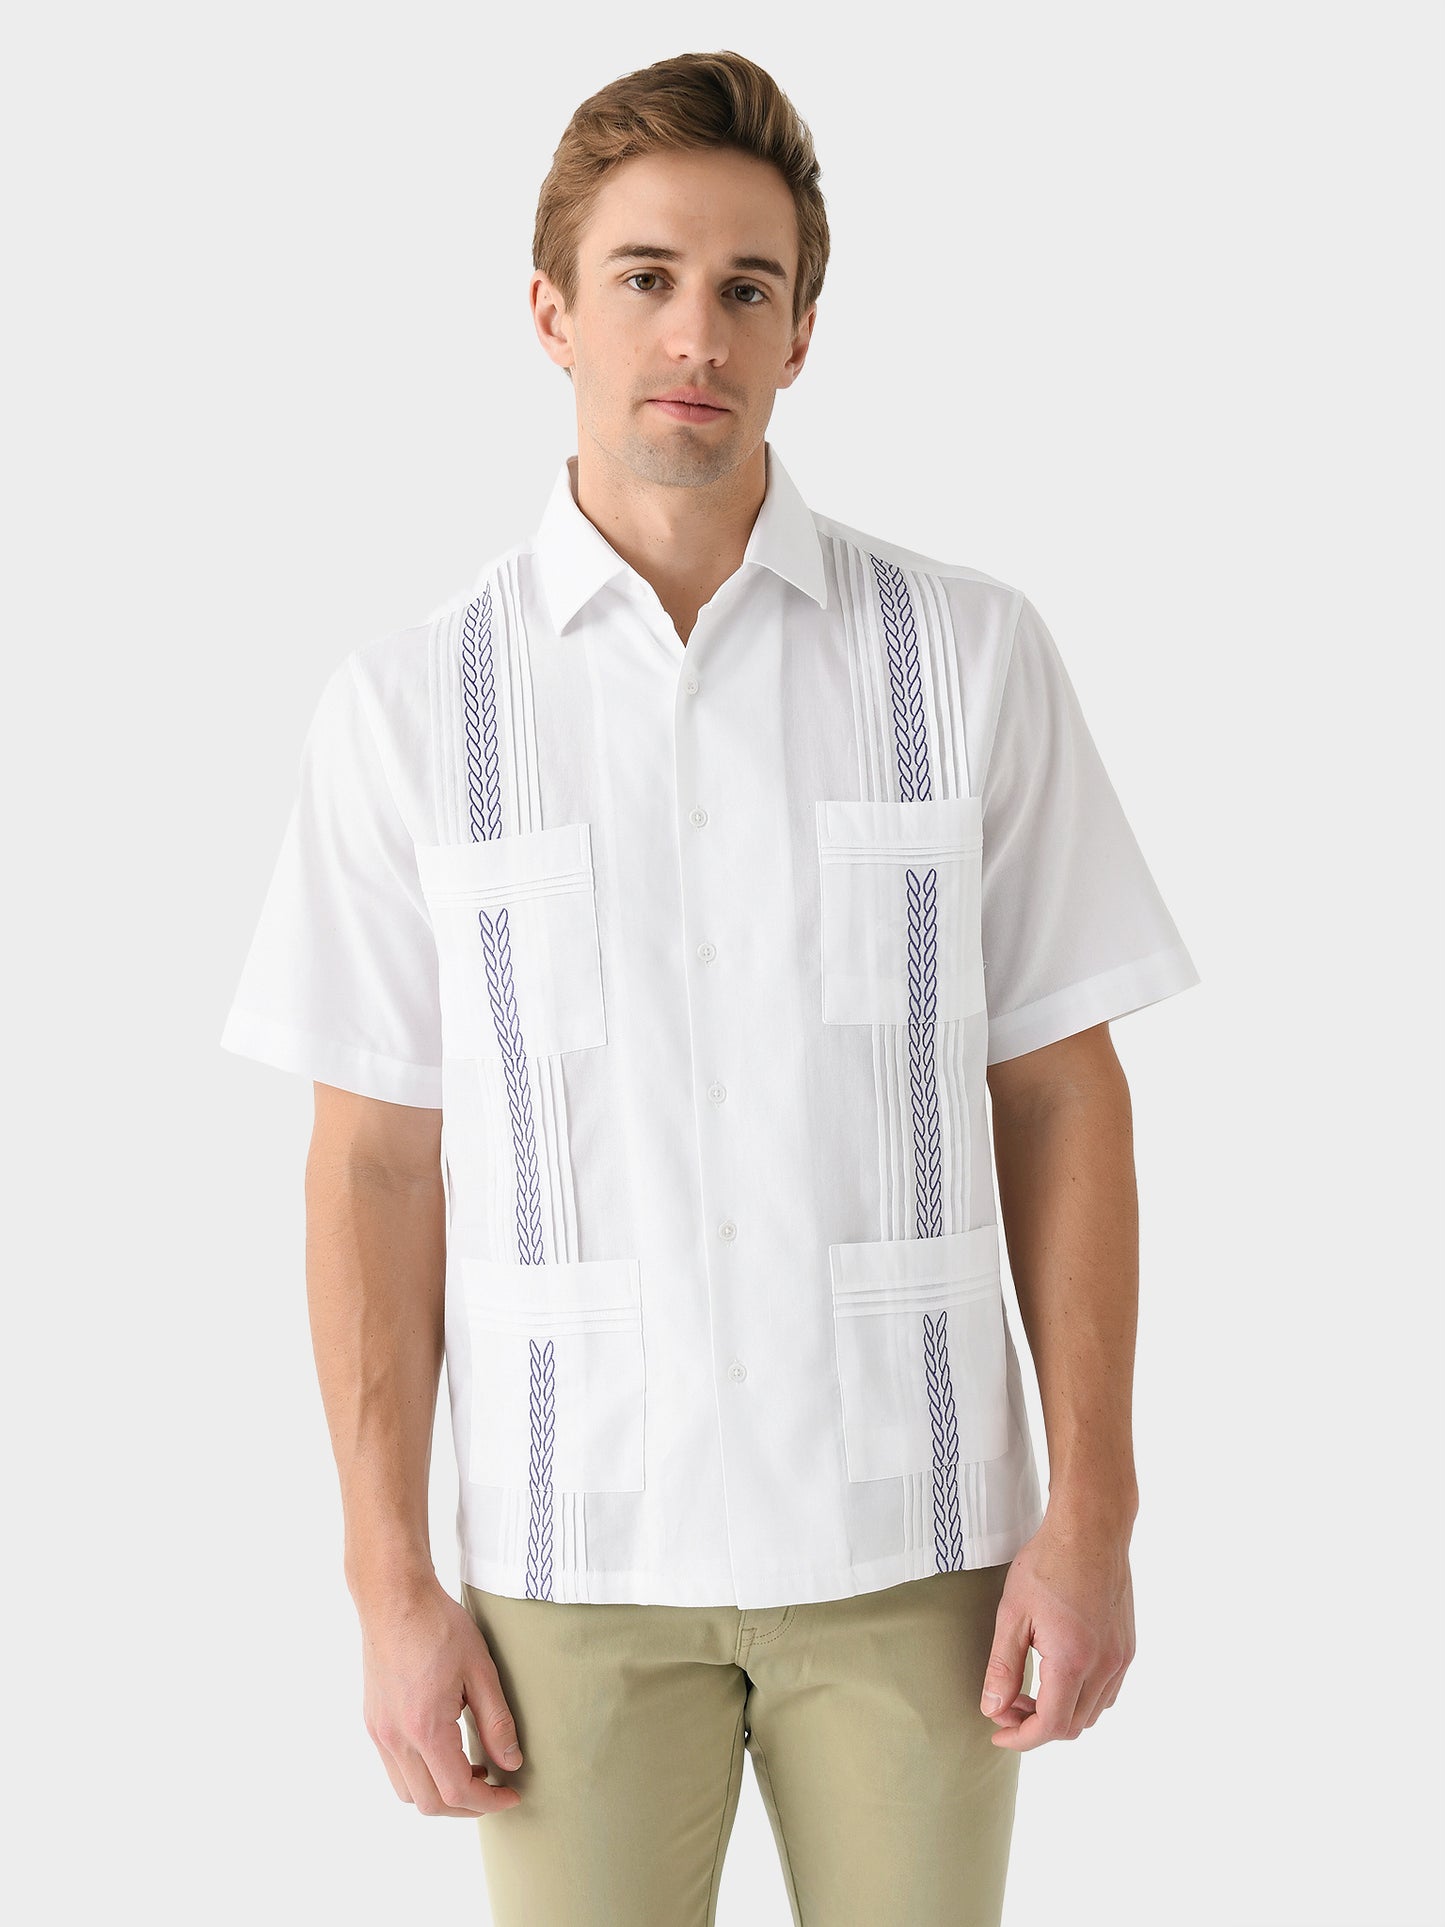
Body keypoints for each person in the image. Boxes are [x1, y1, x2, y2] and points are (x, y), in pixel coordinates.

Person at [220, 47, 1199, 1927]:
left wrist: (1092, 1516)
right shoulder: (411, 708)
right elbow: (374, 1161)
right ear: (550, 313)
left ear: (801, 334)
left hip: (915, 1548)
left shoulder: (966, 658)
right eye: (646, 277)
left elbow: (1061, 1092)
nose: (696, 331)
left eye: (748, 287)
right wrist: (386, 1584)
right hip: (568, 1563)